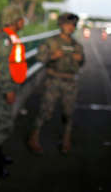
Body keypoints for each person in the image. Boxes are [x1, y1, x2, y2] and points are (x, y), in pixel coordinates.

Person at [27, 12, 84, 155]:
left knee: (68, 113)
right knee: (46, 111)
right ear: (60, 25)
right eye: (67, 24)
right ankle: (33, 137)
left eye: (73, 25)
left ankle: (66, 140)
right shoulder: (51, 42)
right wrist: (52, 56)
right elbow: (39, 58)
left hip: (71, 81)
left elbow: (82, 62)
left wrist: (80, 59)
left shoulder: (76, 45)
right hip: (54, 80)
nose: (70, 27)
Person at [0, 5, 28, 177]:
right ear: (15, 20)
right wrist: (8, 90)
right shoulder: (3, 39)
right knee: (3, 125)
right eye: (21, 18)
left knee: (3, 122)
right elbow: (2, 67)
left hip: (10, 85)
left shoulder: (11, 37)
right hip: (3, 87)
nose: (23, 22)